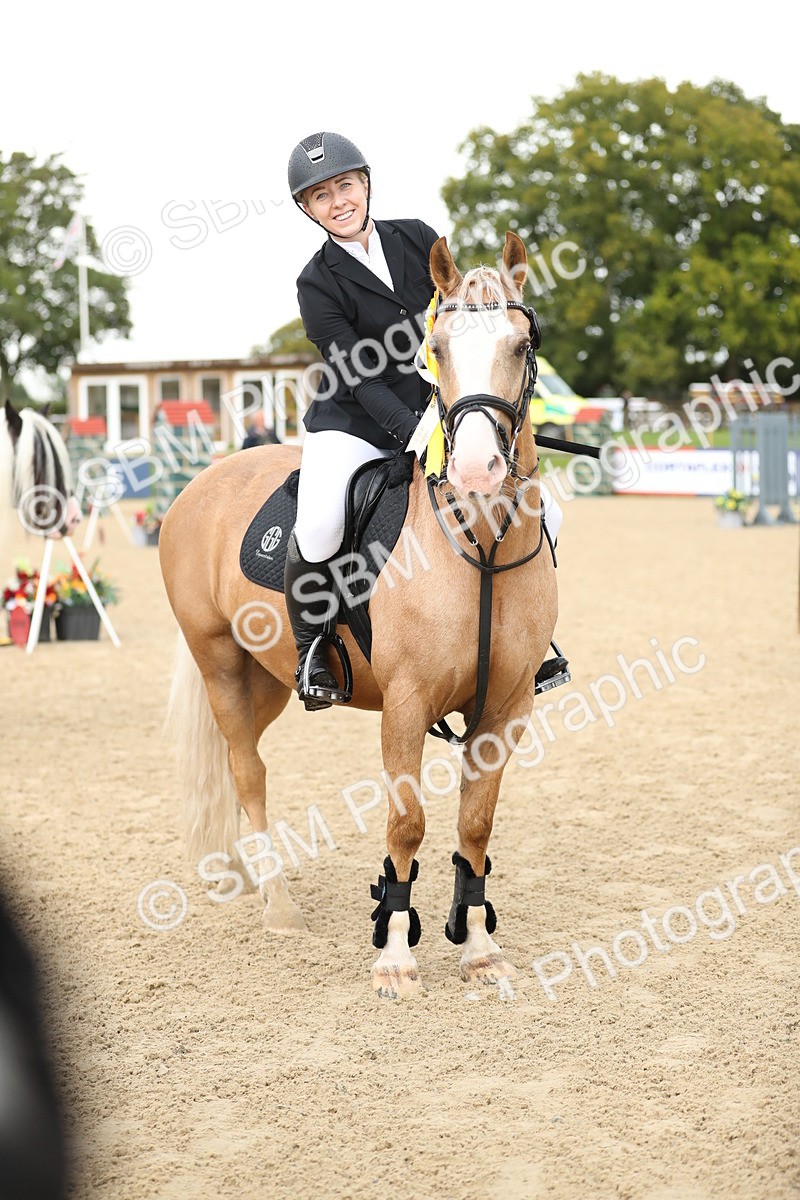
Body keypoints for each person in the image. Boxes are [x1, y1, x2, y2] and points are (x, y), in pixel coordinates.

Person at [284, 131, 568, 711]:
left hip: (446, 410)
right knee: (318, 526)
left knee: (550, 513)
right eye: (321, 196)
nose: (339, 201)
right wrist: (410, 427)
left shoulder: (416, 239)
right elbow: (357, 373)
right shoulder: (316, 283)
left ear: (365, 184)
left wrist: (468, 407)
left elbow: (461, 324)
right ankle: (314, 648)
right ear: (309, 210)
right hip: (352, 422)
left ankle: (530, 644)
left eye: (345, 185)